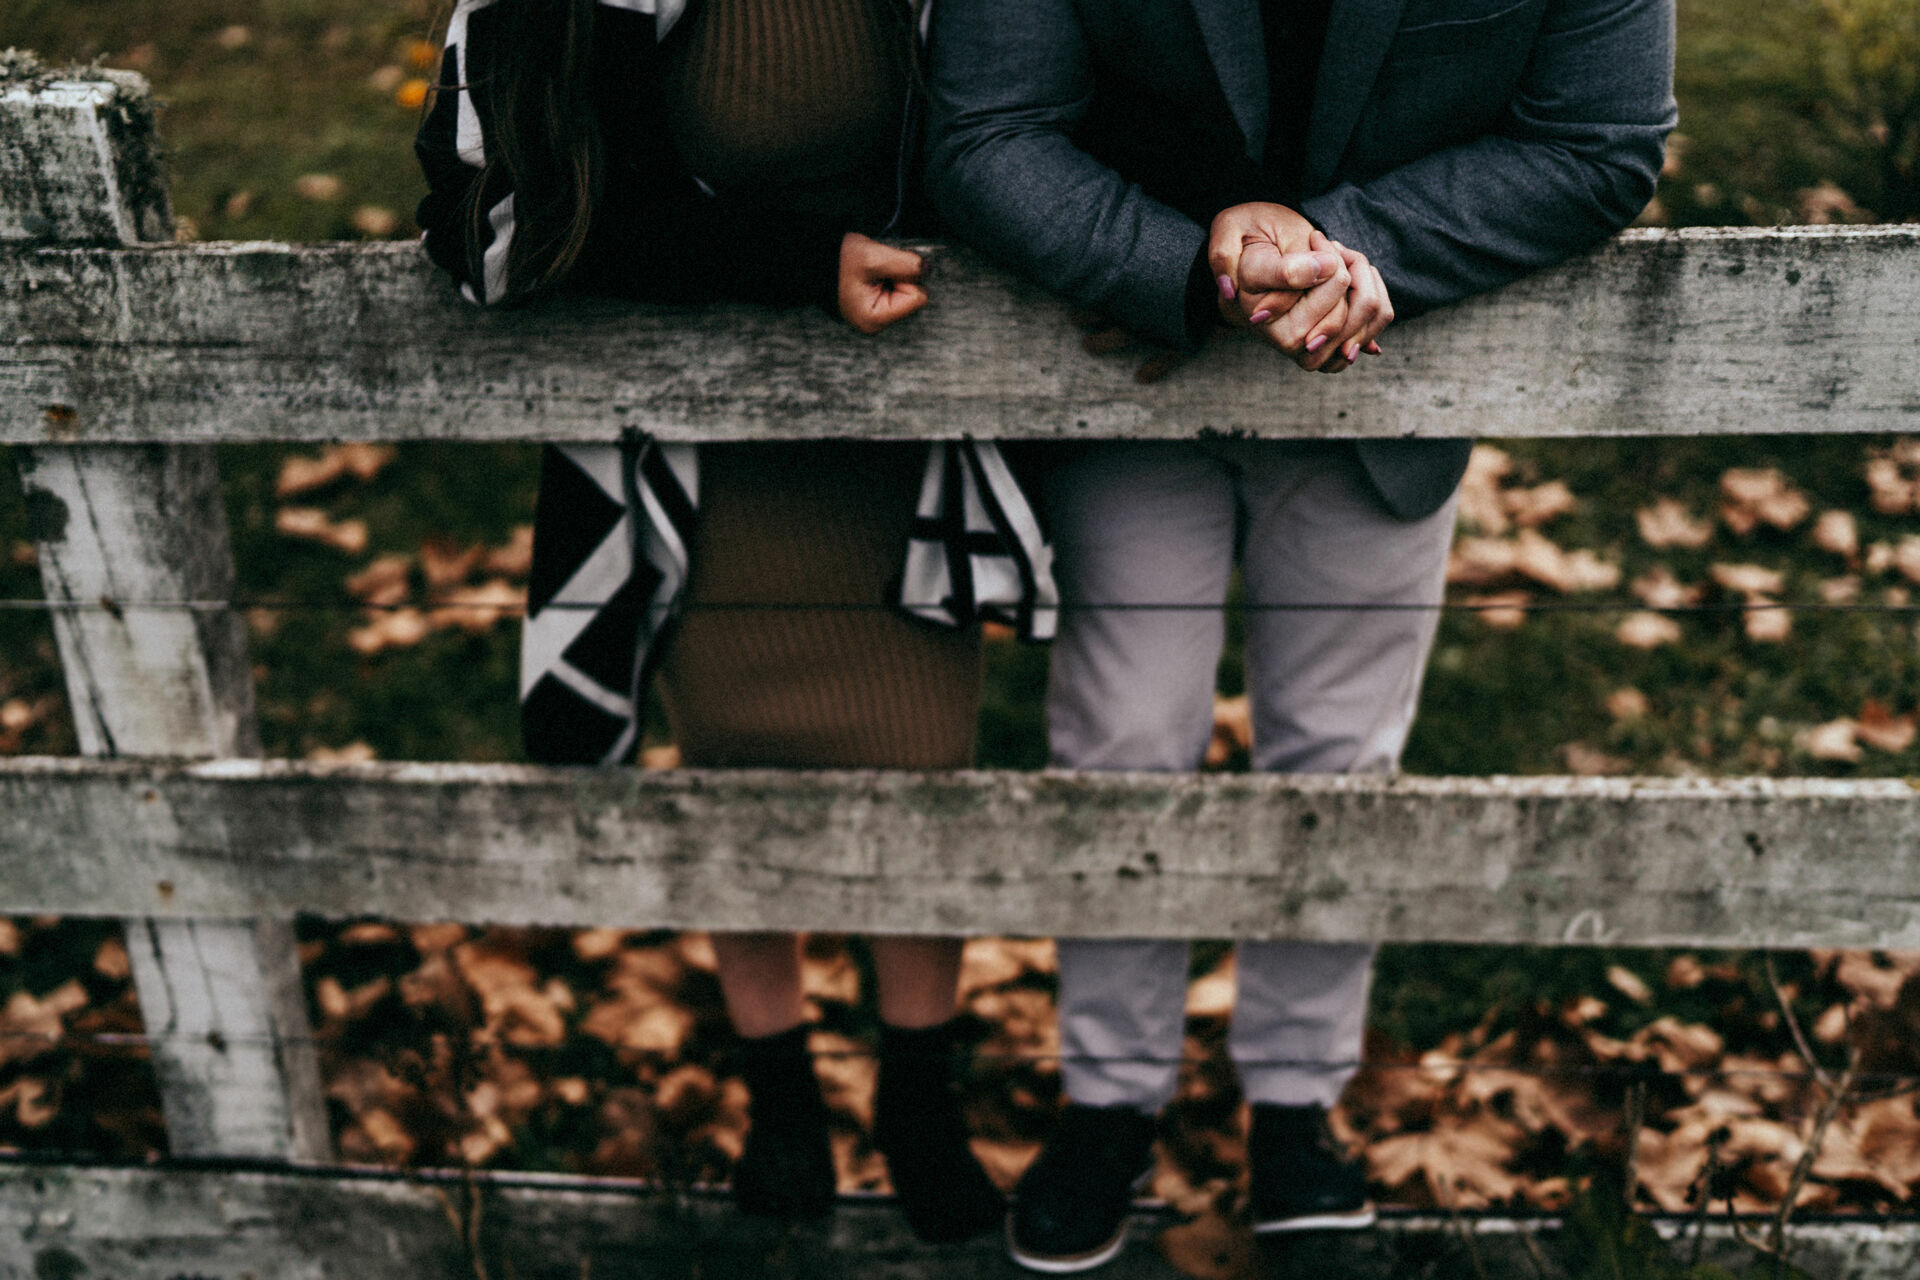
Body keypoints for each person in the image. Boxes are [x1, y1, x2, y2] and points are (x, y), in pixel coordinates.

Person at [924, 0, 1675, 1269]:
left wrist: (1339, 246)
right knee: (1120, 735)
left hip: (1384, 372)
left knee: (1339, 755)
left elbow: (1600, 140)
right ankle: (1107, 1100)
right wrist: (1184, 264)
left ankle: (1295, 1105)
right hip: (1124, 359)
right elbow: (991, 126)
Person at [414, 0, 1054, 1243]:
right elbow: (535, 209)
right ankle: (781, 1094)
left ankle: (919, 1093)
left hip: (905, 403)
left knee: (922, 771)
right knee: (731, 761)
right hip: (702, 434)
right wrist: (790, 267)